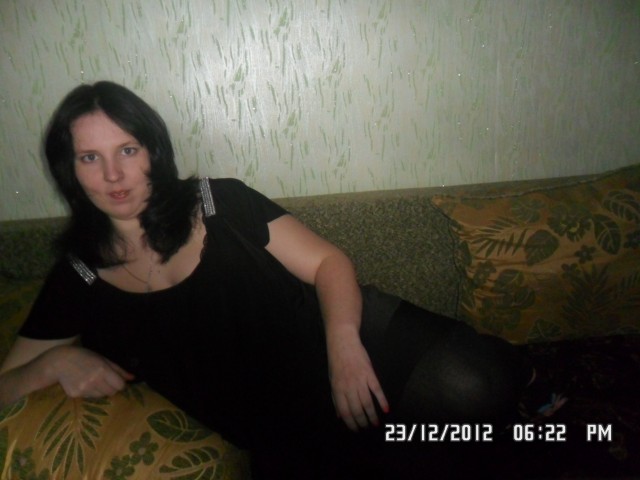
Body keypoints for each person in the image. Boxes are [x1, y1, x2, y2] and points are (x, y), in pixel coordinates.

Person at [0, 81, 533, 478]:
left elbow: (328, 263)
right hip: (280, 422)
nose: (113, 175)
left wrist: (344, 347)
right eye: (90, 157)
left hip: (347, 336)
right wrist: (53, 362)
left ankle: (523, 383)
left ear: (153, 153)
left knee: (476, 385)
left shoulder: (218, 201)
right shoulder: (78, 276)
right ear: (70, 170)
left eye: (127, 150)